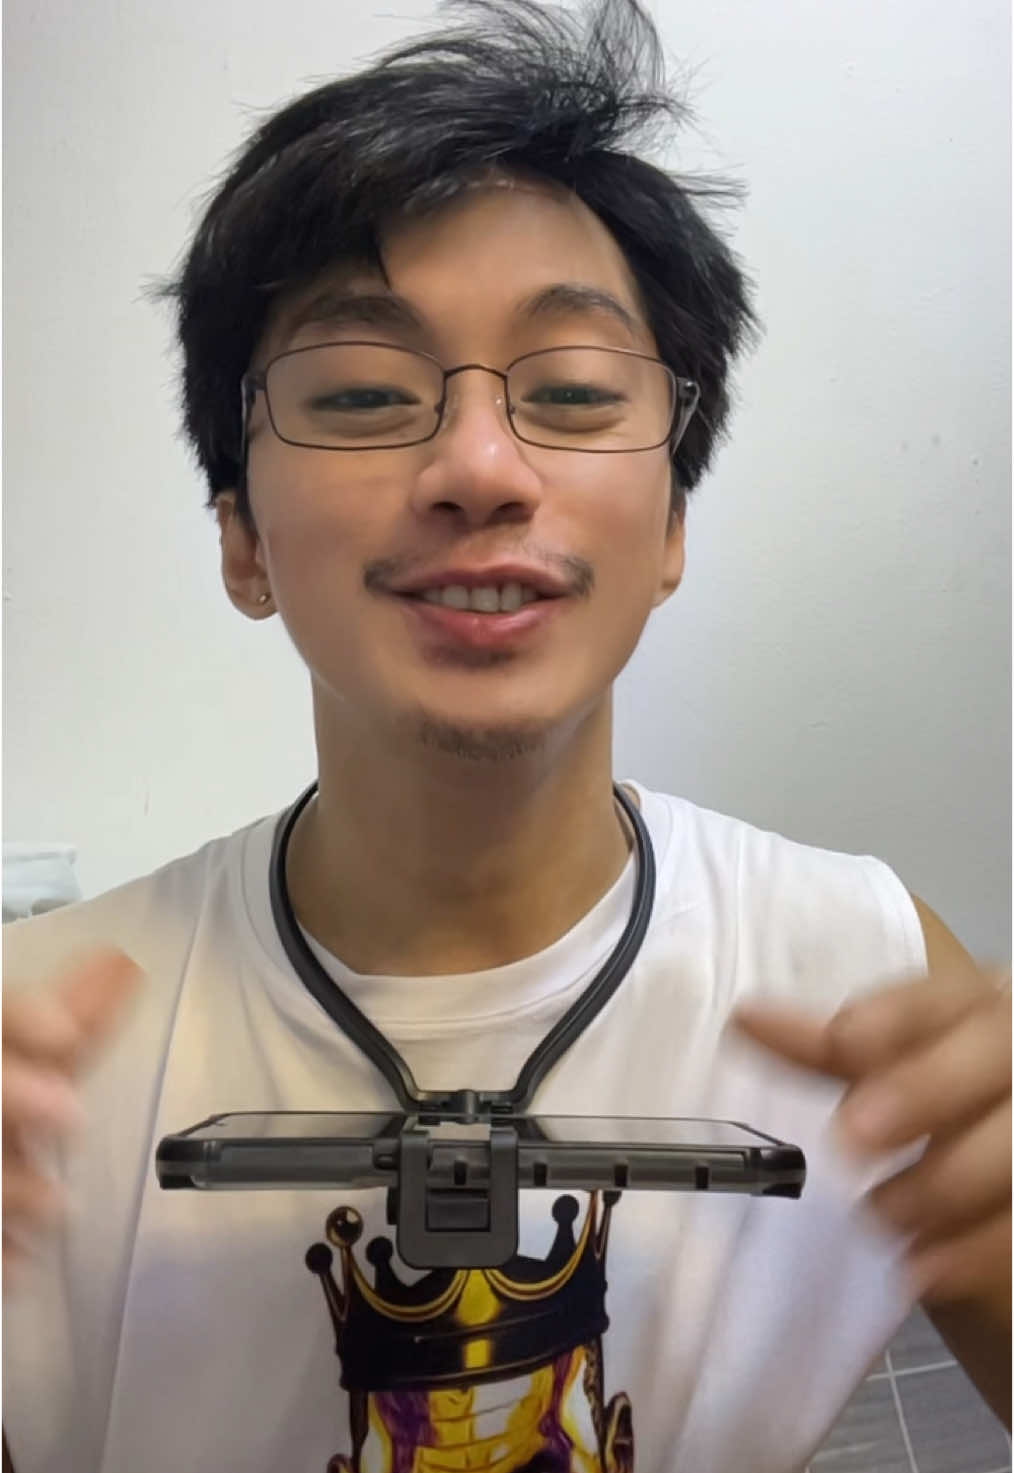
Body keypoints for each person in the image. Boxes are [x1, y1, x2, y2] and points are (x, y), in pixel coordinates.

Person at [3, 1, 1009, 1469]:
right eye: (363, 393)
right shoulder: (39, 1056)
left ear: (672, 526)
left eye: (573, 393)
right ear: (241, 538)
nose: (479, 465)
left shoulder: (867, 981)